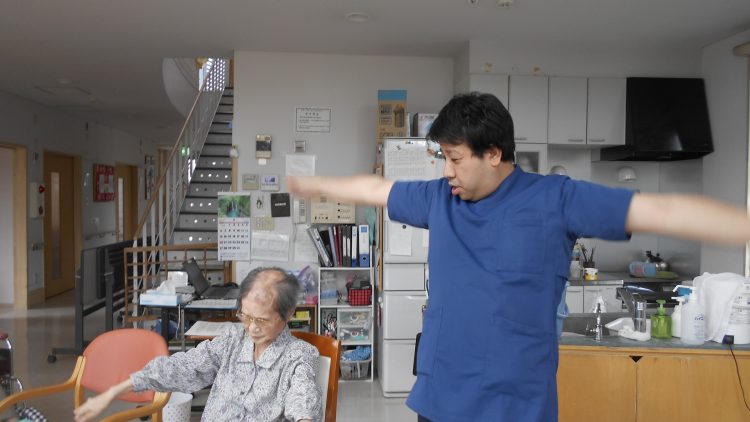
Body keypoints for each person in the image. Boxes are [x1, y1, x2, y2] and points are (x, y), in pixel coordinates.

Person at [287, 92, 750, 422]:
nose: (446, 171)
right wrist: (317, 184)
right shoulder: (439, 199)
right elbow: (376, 189)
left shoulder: (556, 199)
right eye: (442, 158)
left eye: (454, 158)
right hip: (439, 398)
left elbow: (660, 211)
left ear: (493, 153)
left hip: (515, 405)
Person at [74, 267, 322, 422]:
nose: (252, 328)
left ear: (289, 313)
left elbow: (303, 400)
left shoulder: (298, 355)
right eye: (246, 316)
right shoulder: (231, 340)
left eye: (262, 320)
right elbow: (183, 367)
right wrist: (113, 392)